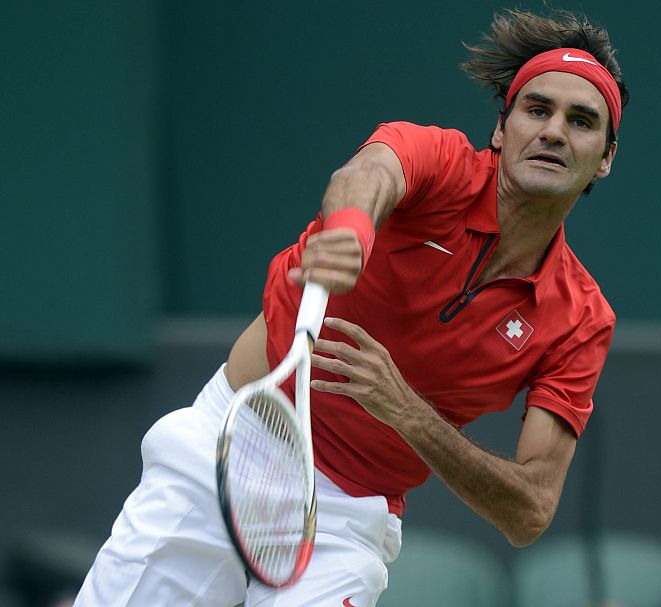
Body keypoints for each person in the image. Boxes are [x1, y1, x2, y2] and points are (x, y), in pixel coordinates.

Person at [75, 7, 629, 607]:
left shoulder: (580, 319)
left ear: (604, 158)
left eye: (581, 120)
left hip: (343, 523)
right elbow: (369, 173)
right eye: (536, 109)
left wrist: (408, 413)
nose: (552, 131)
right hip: (227, 448)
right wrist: (352, 232)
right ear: (501, 128)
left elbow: (530, 510)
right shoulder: (438, 161)